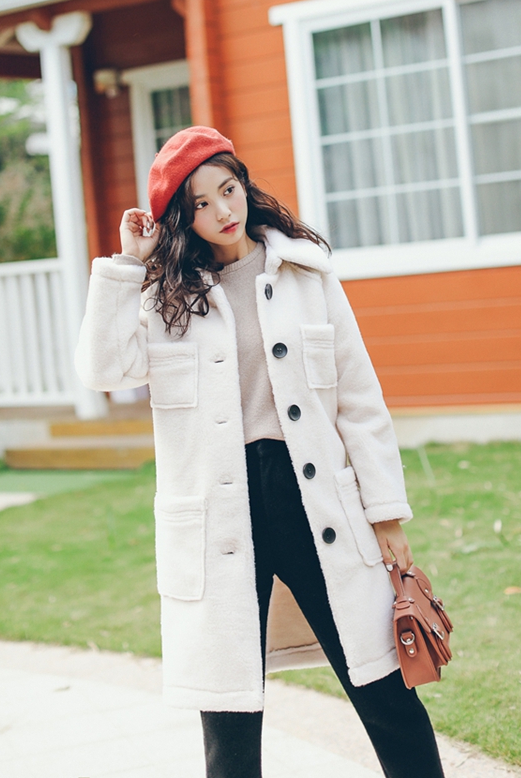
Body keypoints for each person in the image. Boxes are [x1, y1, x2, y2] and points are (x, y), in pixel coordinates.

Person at [75, 125, 445, 778]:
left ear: (244, 184)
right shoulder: (167, 297)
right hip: (219, 512)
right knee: (229, 717)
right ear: (181, 218)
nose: (224, 210)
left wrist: (386, 512)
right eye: (201, 203)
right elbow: (104, 370)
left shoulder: (306, 273)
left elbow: (359, 400)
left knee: (383, 685)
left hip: (312, 499)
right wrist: (129, 265)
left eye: (229, 189)